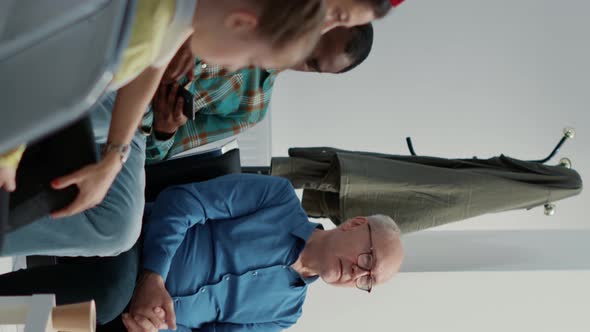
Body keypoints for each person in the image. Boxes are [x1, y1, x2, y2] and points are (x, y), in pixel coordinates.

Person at [0, 0, 326, 257]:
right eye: (247, 58)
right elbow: (31, 82)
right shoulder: (143, 36)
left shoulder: (158, 34)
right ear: (240, 22)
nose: (235, 69)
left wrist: (160, 132)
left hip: (124, 121)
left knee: (116, 221)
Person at [0, 174, 404, 332]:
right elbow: (183, 203)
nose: (356, 272)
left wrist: (152, 328)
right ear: (354, 224)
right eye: (367, 259)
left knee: (104, 314)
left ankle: (13, 316)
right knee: (108, 296)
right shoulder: (278, 199)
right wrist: (153, 277)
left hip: (141, 324)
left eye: (367, 279)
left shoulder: (285, 313)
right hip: (139, 251)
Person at [144, 24, 375, 163]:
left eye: (312, 62)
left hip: (138, 124)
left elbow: (153, 156)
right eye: (313, 38)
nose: (299, 52)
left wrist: (165, 131)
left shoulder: (252, 108)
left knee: (125, 228)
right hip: (139, 46)